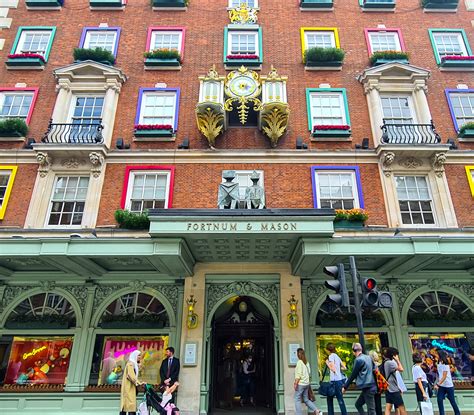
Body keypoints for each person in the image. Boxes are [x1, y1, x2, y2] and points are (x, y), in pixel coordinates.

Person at [342, 343, 376, 415]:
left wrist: (345, 387)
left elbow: (353, 375)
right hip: (371, 385)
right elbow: (374, 369)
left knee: (371, 410)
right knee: (358, 404)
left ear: (354, 351)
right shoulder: (369, 357)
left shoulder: (358, 360)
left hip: (367, 387)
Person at [294, 348, 322, 415]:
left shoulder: (299, 362)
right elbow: (309, 373)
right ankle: (317, 410)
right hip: (307, 384)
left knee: (297, 399)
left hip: (301, 384)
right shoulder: (307, 363)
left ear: (298, 354)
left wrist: (295, 383)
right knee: (306, 399)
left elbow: (298, 375)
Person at [434, 350, 461, 415]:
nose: (435, 355)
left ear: (440, 355)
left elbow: (444, 376)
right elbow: (440, 375)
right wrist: (438, 383)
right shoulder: (438, 363)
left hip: (448, 386)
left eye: (436, 354)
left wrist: (438, 384)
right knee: (439, 400)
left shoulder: (445, 364)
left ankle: (457, 413)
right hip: (442, 386)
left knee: (452, 401)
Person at [325, 343, 347, 415]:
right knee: (340, 400)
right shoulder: (337, 356)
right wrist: (338, 369)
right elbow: (344, 368)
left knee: (329, 399)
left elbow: (333, 369)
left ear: (328, 350)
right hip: (339, 381)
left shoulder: (331, 356)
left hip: (334, 381)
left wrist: (327, 363)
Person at [383, 347, 407, 415]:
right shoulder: (391, 363)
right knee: (402, 407)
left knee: (388, 406)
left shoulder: (385, 362)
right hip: (393, 389)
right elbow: (401, 369)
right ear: (393, 355)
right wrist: (397, 360)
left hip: (388, 388)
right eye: (396, 355)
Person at [120, 350, 143, 415]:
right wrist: (138, 383)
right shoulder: (130, 364)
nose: (140, 357)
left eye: (140, 355)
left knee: (128, 405)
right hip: (128, 387)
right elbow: (131, 375)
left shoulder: (133, 364)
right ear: (134, 355)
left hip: (131, 387)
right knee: (130, 405)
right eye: (138, 355)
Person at [369, 350, 383, 415]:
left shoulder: (370, 366)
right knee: (378, 404)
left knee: (372, 405)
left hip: (371, 387)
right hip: (378, 386)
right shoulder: (380, 366)